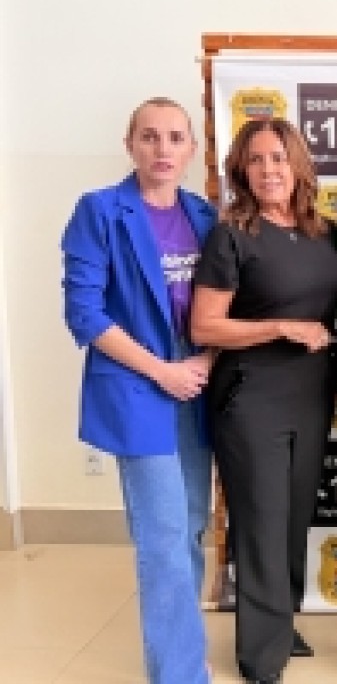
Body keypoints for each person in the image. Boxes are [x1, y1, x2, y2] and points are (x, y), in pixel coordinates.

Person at [61, 97, 216, 684]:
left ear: (191, 149)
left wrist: (205, 359)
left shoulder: (203, 215)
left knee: (192, 522)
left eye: (175, 137)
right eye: (149, 136)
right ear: (130, 144)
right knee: (163, 533)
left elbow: (224, 303)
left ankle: (182, 647)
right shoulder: (99, 211)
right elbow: (84, 313)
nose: (162, 149)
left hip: (195, 382)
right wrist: (161, 370)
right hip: (137, 385)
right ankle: (178, 674)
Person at [190, 118, 337, 684]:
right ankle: (260, 657)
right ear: (241, 170)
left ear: (298, 164)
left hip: (311, 396)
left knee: (294, 519)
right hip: (251, 398)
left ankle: (280, 622)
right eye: (255, 160)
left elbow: (333, 305)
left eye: (278, 157)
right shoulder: (231, 235)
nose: (268, 170)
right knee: (260, 522)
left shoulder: (324, 231)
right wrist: (280, 327)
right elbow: (205, 325)